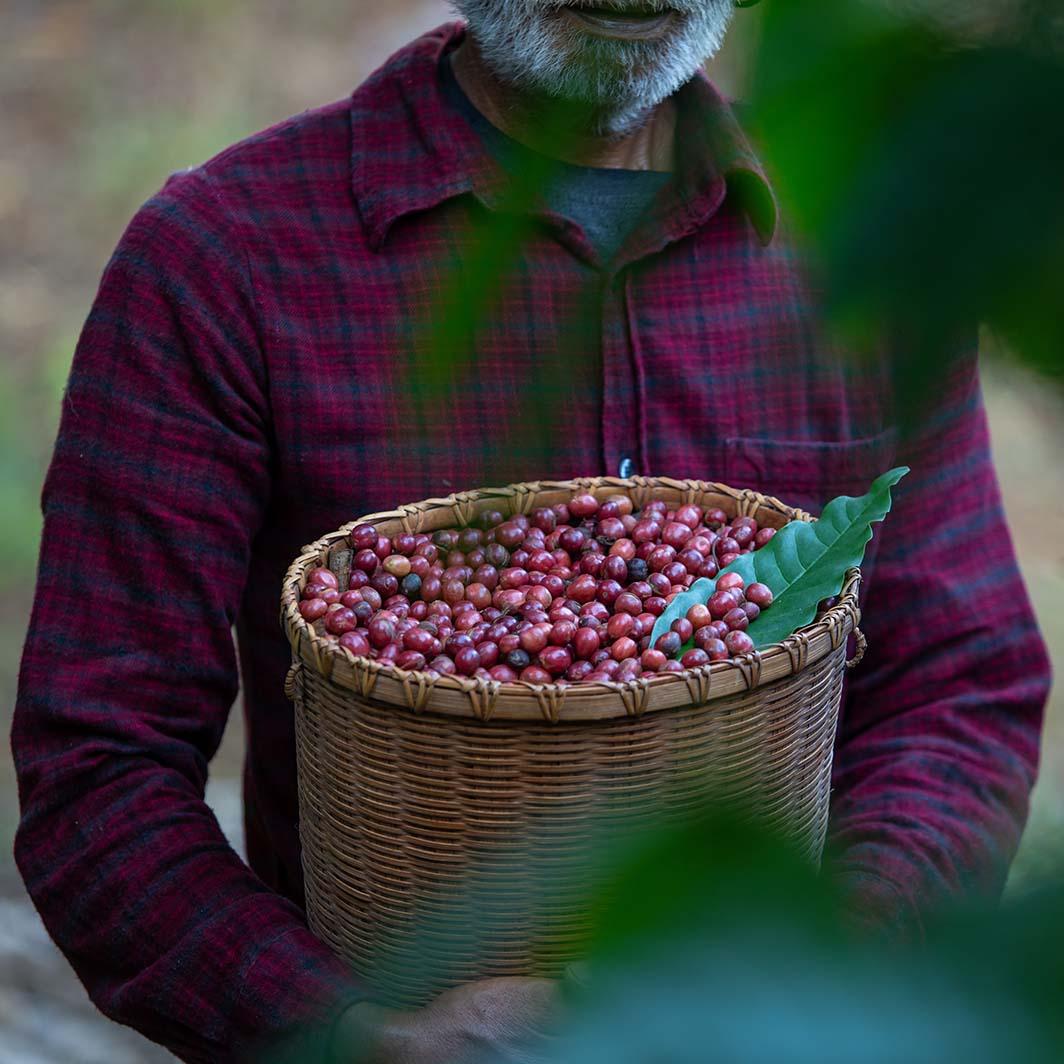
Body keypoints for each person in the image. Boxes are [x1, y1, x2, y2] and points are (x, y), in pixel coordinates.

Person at [12, 1, 1051, 1061]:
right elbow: (98, 767)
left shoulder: (863, 228)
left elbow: (955, 681)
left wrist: (828, 969)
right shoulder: (223, 259)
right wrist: (351, 1030)